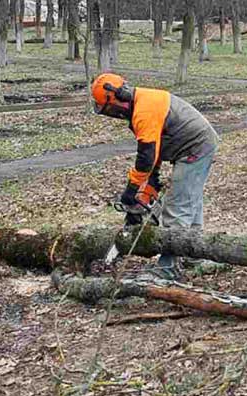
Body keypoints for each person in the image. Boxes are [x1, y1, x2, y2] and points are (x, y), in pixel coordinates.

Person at [91, 73, 218, 279]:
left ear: (115, 101)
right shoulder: (140, 103)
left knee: (178, 205)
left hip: (195, 147)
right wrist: (150, 184)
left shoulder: (143, 110)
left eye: (107, 110)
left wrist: (131, 192)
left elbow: (146, 157)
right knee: (190, 199)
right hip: (188, 146)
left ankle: (167, 268)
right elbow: (155, 148)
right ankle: (194, 253)